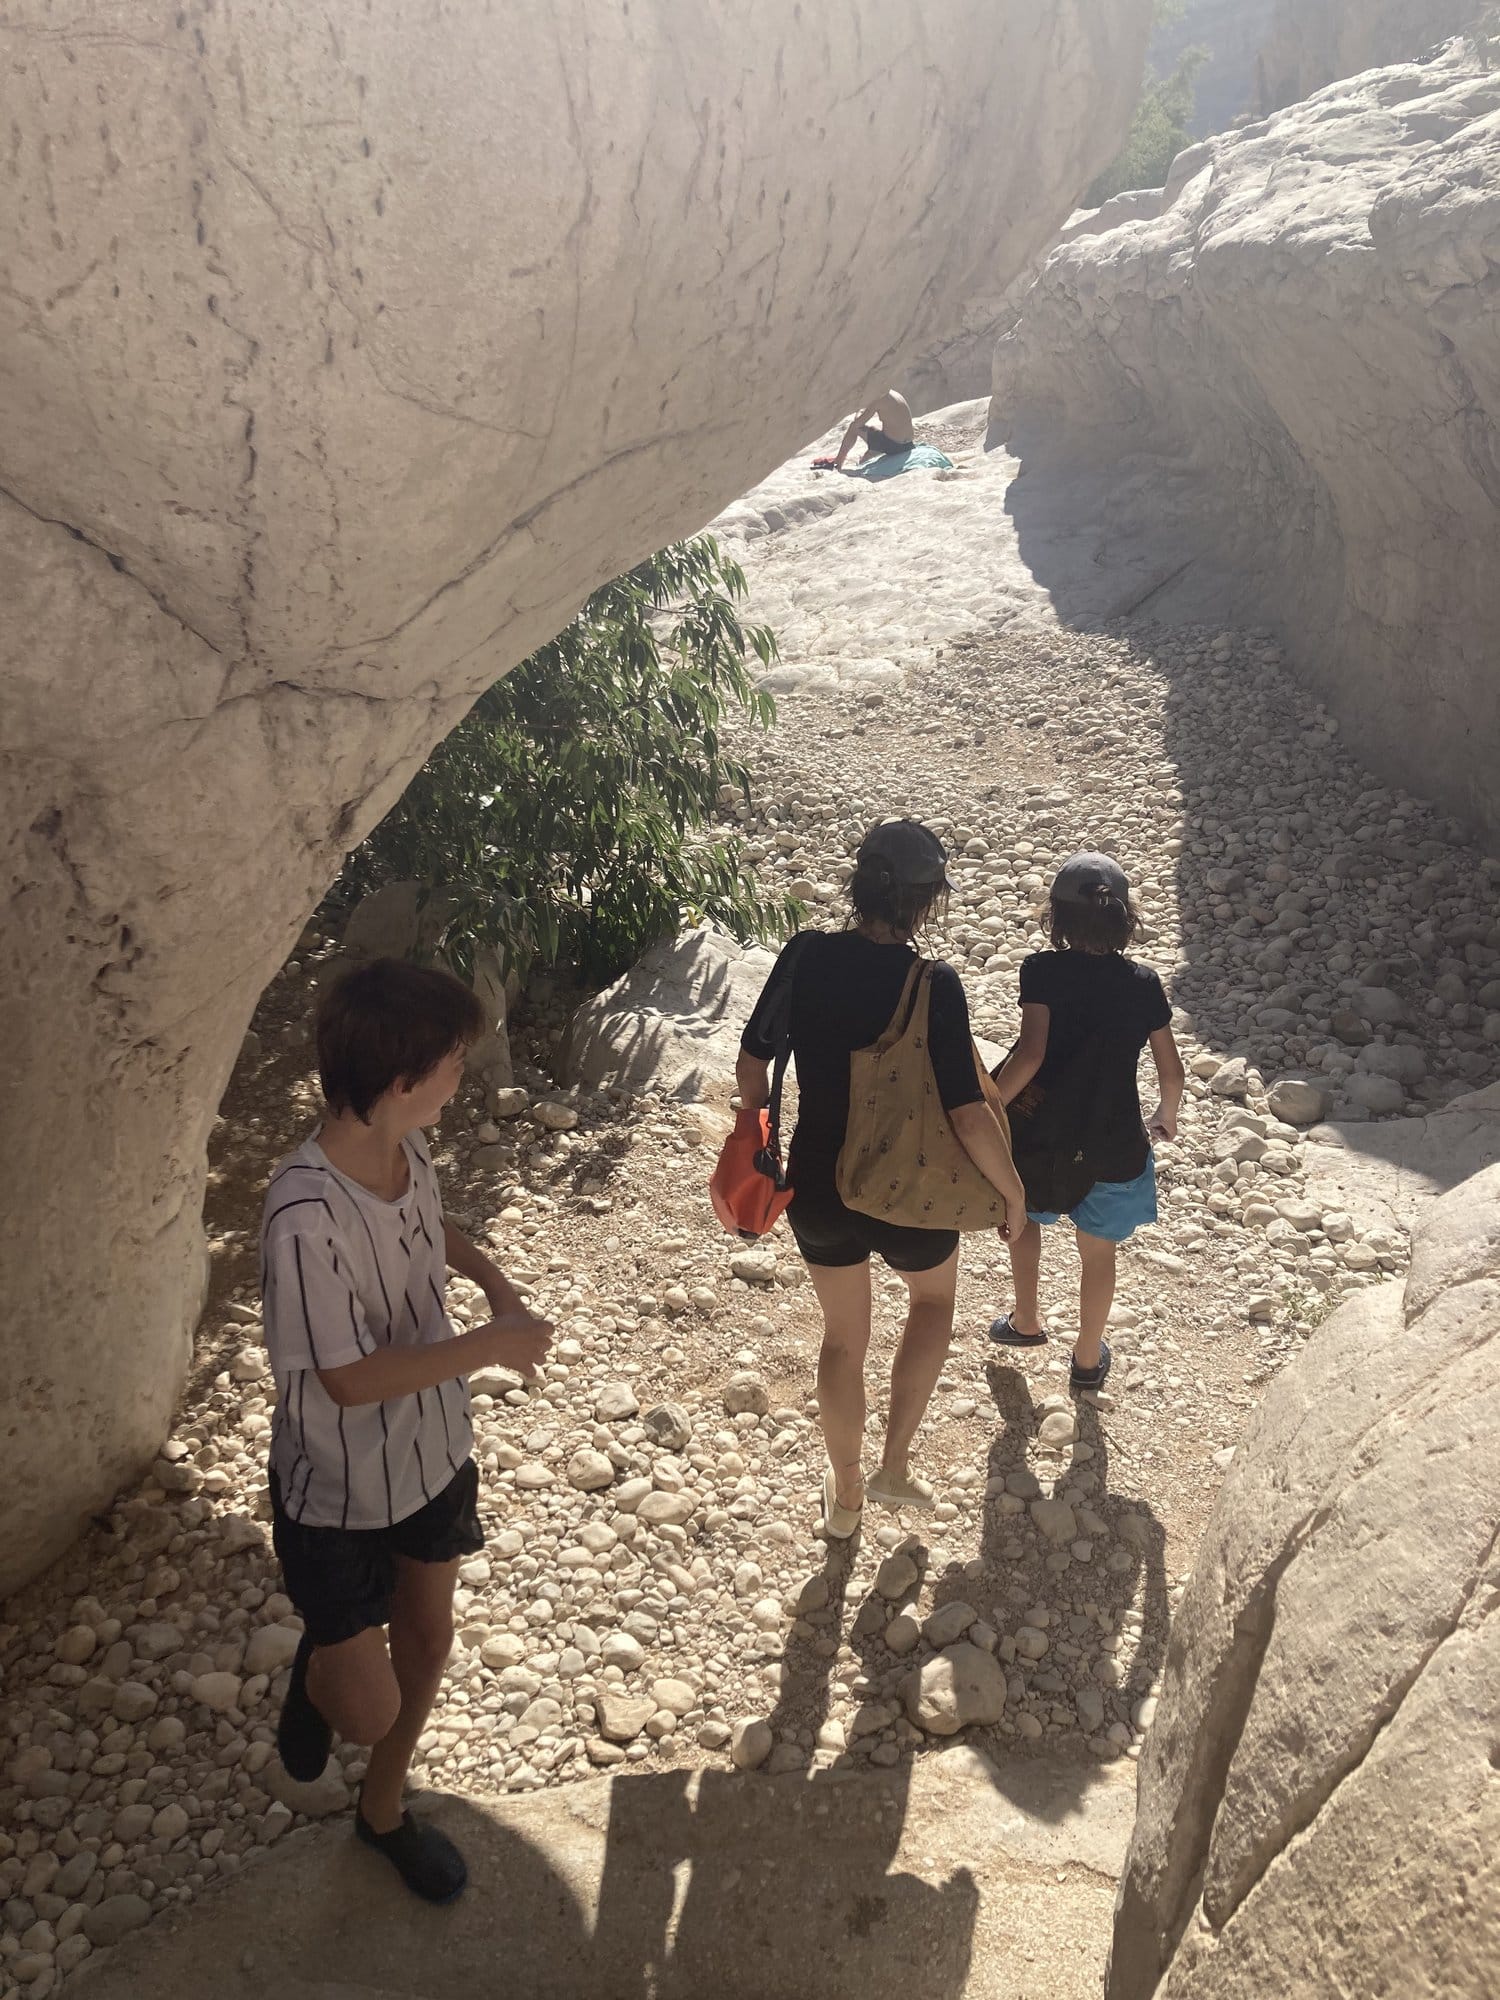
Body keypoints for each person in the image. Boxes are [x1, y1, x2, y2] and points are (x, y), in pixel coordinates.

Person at [260, 958, 552, 1902]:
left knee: (426, 1646)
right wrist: (490, 1344)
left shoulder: (406, 1147)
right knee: (366, 1703)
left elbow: (433, 1225)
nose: (462, 1075)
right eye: (454, 1060)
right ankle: (323, 1670)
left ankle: (382, 1813)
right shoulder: (303, 1218)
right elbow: (344, 1382)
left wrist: (493, 1280)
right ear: (401, 1081)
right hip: (337, 1491)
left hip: (432, 1458)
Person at [737, 819, 1026, 1539]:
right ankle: (895, 1464)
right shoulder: (934, 983)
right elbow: (965, 1111)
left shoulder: (804, 955)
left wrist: (752, 1128)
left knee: (841, 1340)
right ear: (928, 902)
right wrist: (1013, 1192)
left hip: (818, 1185)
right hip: (908, 1191)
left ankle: (845, 1496)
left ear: (859, 883)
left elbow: (752, 1065)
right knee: (931, 1301)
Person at [987, 853, 1185, 1394]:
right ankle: (1087, 1357)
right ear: (1125, 919)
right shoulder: (1143, 983)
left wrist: (989, 1107)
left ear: (1058, 919)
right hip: (1112, 1138)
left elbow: (1029, 1056)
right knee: (1098, 1252)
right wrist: (1165, 1114)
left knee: (1023, 1219)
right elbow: (1172, 1070)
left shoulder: (1042, 970)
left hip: (1040, 1135)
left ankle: (1026, 1321)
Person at [823, 389, 915, 469]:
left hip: (894, 446)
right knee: (874, 431)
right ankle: (872, 452)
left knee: (853, 427)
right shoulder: (895, 394)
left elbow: (858, 423)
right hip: (908, 444)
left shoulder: (878, 399)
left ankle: (838, 462)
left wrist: (858, 411)